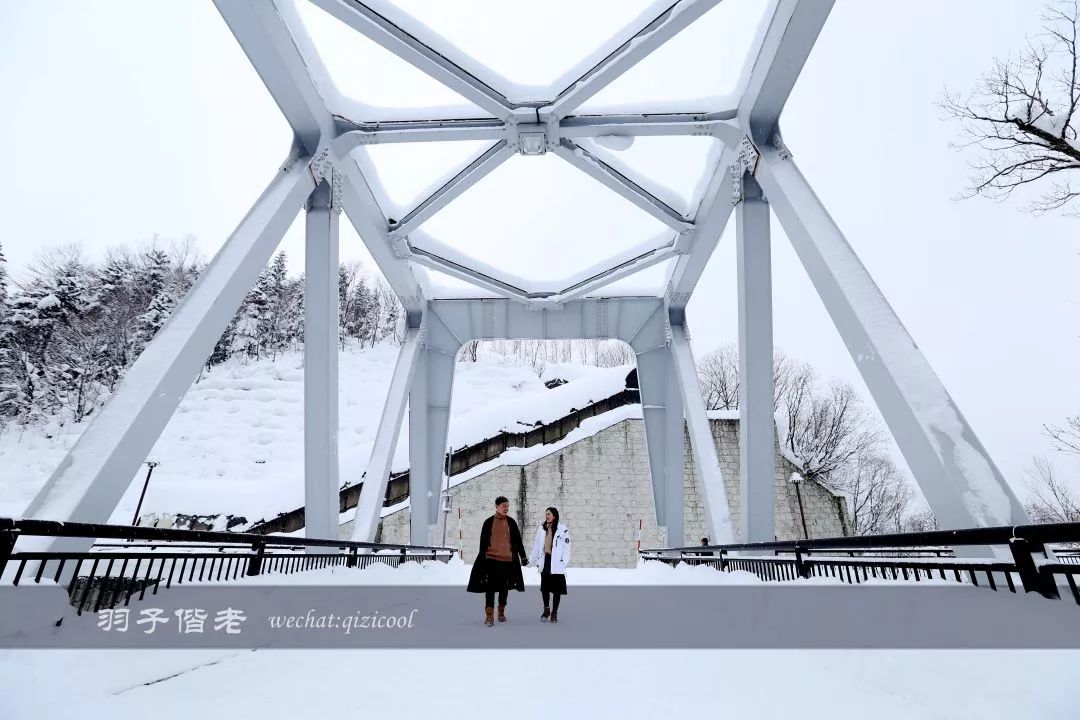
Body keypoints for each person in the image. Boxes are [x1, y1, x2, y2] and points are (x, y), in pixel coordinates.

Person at [467, 496, 529, 626]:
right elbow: (483, 544)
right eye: (503, 506)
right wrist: (482, 560)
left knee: (504, 588)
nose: (506, 508)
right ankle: (489, 615)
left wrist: (522, 556)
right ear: (497, 506)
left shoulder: (511, 522)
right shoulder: (488, 522)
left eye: (507, 506)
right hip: (491, 561)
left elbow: (517, 541)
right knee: (490, 588)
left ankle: (501, 612)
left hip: (507, 561)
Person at [529, 507, 570, 623]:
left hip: (557, 562)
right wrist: (531, 560)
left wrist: (564, 562)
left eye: (549, 514)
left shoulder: (563, 529)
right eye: (546, 514)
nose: (547, 516)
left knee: (557, 590)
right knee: (545, 588)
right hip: (545, 561)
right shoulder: (541, 529)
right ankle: (546, 609)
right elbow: (536, 547)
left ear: (554, 516)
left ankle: (554, 613)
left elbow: (567, 548)